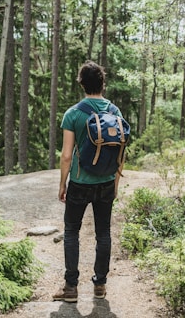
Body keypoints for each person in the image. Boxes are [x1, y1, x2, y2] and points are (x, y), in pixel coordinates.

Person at [53, 61, 124, 303]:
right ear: (103, 84)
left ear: (81, 84)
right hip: (106, 181)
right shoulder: (115, 113)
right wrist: (115, 184)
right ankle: (100, 285)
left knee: (72, 231)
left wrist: (63, 183)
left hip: (80, 182)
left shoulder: (73, 113)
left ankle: (71, 288)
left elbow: (66, 155)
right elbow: (120, 153)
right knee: (103, 232)